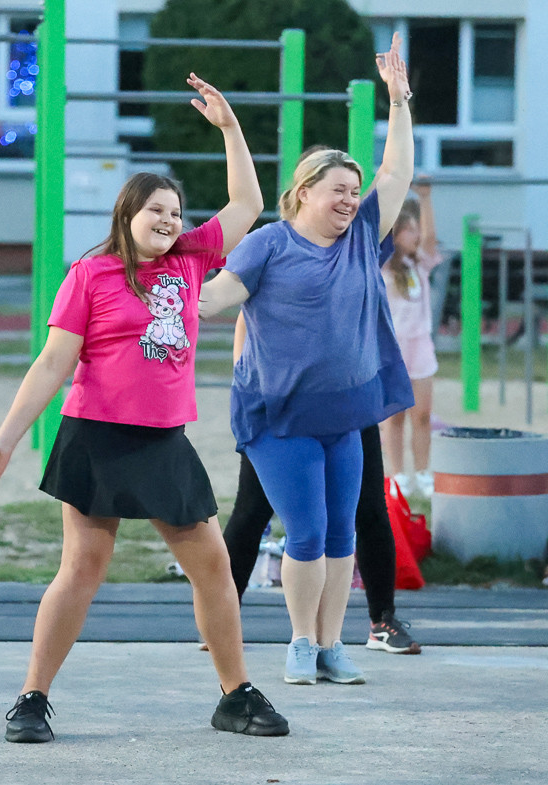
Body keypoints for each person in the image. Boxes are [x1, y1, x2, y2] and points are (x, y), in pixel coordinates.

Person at [0, 74, 288, 742]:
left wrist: (230, 128)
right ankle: (31, 698)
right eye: (154, 210)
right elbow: (52, 362)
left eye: (174, 209)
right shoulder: (92, 273)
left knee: (214, 566)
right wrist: (4, 437)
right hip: (96, 436)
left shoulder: (194, 258)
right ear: (126, 215)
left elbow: (247, 203)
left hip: (163, 440)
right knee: (82, 568)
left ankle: (235, 693)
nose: (168, 219)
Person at [197, 33, 415, 686]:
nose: (351, 199)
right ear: (303, 193)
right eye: (338, 189)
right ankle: (297, 642)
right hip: (277, 412)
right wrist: (176, 290)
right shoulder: (270, 244)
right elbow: (220, 297)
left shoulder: (361, 243)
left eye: (355, 189)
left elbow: (397, 173)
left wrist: (398, 102)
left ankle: (331, 645)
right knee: (308, 528)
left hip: (345, 410)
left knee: (343, 529)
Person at [225, 311, 421, 654]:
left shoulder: (355, 265)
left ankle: (382, 621)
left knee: (370, 507)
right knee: (252, 511)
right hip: (281, 404)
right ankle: (222, 619)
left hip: (347, 401)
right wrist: (247, 386)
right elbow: (244, 318)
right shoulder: (279, 258)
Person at [379, 179, 442, 498]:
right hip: (392, 351)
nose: (416, 235)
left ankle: (422, 472)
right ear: (396, 234)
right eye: (410, 230)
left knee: (422, 415)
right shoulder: (384, 267)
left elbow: (430, 239)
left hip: (420, 349)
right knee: (395, 417)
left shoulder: (420, 264)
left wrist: (425, 199)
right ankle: (399, 475)